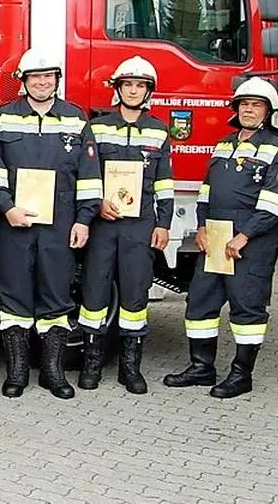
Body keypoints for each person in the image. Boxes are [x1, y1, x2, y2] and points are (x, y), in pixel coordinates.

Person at [163, 78, 278, 398]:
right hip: (217, 234)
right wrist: (203, 228)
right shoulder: (224, 144)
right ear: (235, 109)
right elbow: (206, 190)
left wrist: (245, 235)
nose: (249, 110)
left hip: (252, 239)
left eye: (256, 105)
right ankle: (201, 367)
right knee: (201, 300)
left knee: (247, 307)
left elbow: (275, 201)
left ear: (268, 111)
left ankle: (241, 374)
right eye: (244, 104)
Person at [0, 49, 101, 400]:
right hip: (15, 225)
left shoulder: (76, 120)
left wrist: (84, 220)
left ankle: (53, 372)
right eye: (35, 77)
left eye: (48, 76)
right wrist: (6, 207)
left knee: (57, 297)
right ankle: (17, 372)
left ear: (56, 80)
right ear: (23, 81)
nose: (42, 82)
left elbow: (90, 177)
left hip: (60, 227)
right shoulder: (3, 119)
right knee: (13, 296)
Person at [78, 56, 173, 394]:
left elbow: (164, 182)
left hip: (141, 226)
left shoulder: (159, 130)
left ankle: (130, 368)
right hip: (105, 224)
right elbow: (87, 175)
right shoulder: (98, 126)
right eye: (128, 85)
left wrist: (163, 224)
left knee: (134, 295)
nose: (134, 90)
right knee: (94, 292)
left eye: (140, 86)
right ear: (117, 89)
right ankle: (91, 363)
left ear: (148, 91)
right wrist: (96, 205)